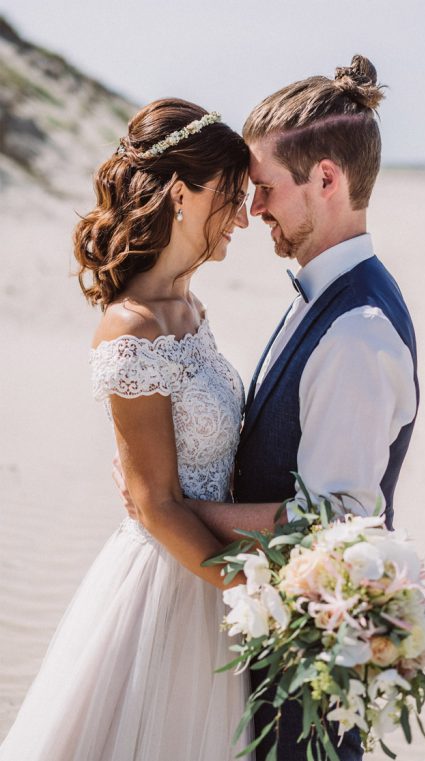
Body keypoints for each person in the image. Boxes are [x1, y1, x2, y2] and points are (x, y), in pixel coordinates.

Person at [150, 56, 419, 761]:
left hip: (307, 675)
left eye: (265, 188)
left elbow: (334, 523)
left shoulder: (357, 330)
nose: (254, 208)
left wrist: (174, 510)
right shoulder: (320, 294)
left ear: (326, 179)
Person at [0, 99, 253, 760]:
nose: (246, 216)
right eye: (232, 196)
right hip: (173, 581)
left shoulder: (191, 305)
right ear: (181, 193)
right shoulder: (129, 329)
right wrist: (255, 587)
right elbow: (151, 501)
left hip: (215, 567)